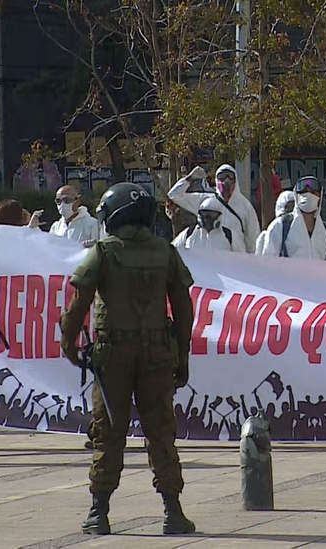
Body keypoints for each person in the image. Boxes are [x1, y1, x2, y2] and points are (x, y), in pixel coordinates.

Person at [60, 182, 196, 536]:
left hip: (112, 357)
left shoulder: (103, 252)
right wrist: (183, 357)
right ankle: (173, 512)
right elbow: (184, 309)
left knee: (108, 433)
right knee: (161, 432)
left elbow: (78, 304)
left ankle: (99, 512)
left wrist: (69, 344)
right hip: (157, 355)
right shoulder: (166, 252)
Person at [167, 164, 260, 253]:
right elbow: (174, 195)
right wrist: (190, 178)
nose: (226, 181)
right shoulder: (206, 202)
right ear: (216, 180)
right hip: (207, 256)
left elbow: (253, 239)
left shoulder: (245, 206)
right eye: (222, 177)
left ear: (235, 180)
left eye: (230, 177)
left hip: (234, 258)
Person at [259, 177, 326, 260]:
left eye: (313, 192)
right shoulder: (280, 226)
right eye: (303, 192)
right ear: (296, 196)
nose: (308, 195)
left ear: (320, 197)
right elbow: (268, 262)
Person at [175, 196, 243, 252]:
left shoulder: (229, 236)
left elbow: (242, 259)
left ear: (219, 216)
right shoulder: (189, 233)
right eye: (204, 214)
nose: (207, 219)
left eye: (212, 215)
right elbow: (173, 251)